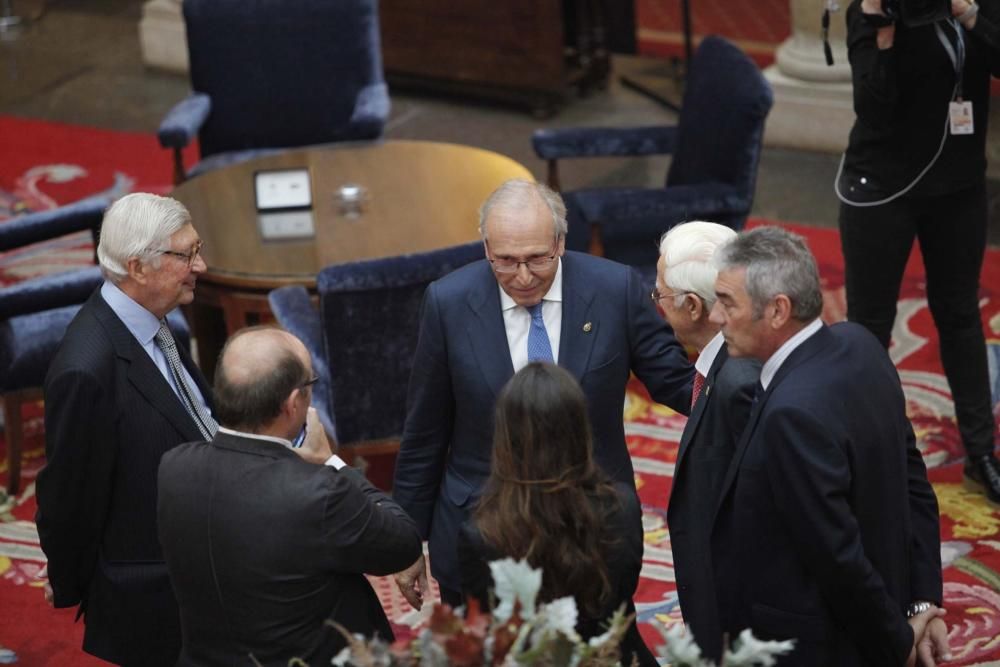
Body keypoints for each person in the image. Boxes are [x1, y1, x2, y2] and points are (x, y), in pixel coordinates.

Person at [392, 179, 693, 608]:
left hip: (593, 528)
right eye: (506, 261)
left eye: (537, 259)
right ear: (485, 249)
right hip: (480, 530)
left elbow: (678, 384)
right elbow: (424, 431)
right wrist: (405, 542)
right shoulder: (448, 302)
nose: (523, 276)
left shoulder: (614, 289)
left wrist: (732, 354)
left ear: (560, 242)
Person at [708, 226, 949, 666]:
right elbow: (914, 482)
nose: (716, 318)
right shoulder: (862, 345)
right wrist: (922, 602)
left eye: (727, 302)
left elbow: (836, 556)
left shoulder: (792, 415)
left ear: (778, 310)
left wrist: (897, 642)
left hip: (819, 644)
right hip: (882, 608)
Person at [157, 327, 422, 666]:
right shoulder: (319, 491)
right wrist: (332, 462)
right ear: (294, 404)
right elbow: (403, 543)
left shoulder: (173, 468)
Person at [36, 193, 215, 666]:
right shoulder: (85, 370)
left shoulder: (157, 320)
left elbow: (197, 415)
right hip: (154, 592)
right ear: (138, 268)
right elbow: (69, 497)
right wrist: (73, 584)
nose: (201, 265)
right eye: (187, 255)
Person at [837, 0, 1000, 504]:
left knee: (959, 315)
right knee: (870, 328)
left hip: (959, 187)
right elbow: (874, 102)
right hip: (881, 188)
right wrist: (882, 29)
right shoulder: (870, 11)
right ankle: (860, 454)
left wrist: (968, 13)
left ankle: (981, 453)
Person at [457, 362, 656, 667]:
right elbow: (621, 594)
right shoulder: (624, 507)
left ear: (507, 438)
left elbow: (488, 632)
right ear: (580, 431)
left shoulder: (481, 534)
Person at [654, 221, 760, 662]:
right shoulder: (730, 362)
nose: (655, 304)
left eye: (659, 294)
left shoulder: (740, 383)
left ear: (693, 306)